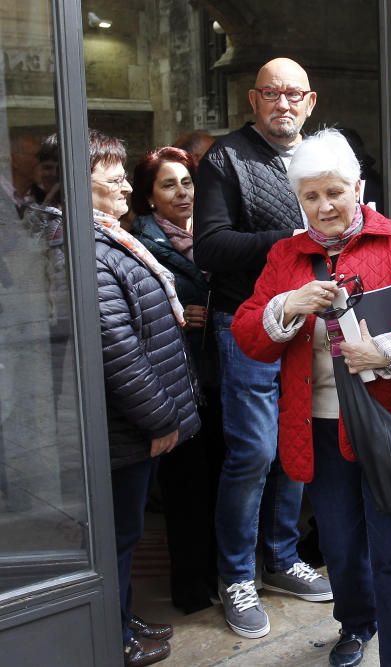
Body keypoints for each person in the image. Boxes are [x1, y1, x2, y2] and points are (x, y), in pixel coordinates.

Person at [232, 128, 391, 667]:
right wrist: (288, 304)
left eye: (334, 192)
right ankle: (356, 623)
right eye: (311, 196)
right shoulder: (286, 255)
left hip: (389, 420)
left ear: (358, 187)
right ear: (298, 199)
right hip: (319, 427)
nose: (324, 206)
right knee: (340, 544)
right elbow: (248, 337)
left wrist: (389, 350)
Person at [193, 57, 332, 639]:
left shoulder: (324, 155)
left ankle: (281, 558)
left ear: (311, 100)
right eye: (272, 94)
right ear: (253, 100)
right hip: (246, 324)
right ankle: (237, 576)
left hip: (309, 325)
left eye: (293, 94)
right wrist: (294, 241)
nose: (283, 104)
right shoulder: (225, 159)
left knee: (297, 445)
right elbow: (212, 248)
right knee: (252, 453)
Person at [90, 129, 201, 666]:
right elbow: (118, 348)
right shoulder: (92, 250)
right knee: (116, 537)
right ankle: (112, 637)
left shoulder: (109, 237)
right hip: (126, 425)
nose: (125, 189)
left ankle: (119, 617)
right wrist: (161, 418)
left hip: (130, 426)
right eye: (113, 179)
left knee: (126, 534)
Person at [132, 146, 224, 613]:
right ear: (149, 197)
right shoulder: (142, 244)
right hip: (177, 379)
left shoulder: (208, 233)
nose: (182, 192)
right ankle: (190, 587)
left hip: (216, 373)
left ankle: (218, 575)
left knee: (218, 479)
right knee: (186, 489)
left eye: (187, 182)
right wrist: (176, 317)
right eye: (168, 185)